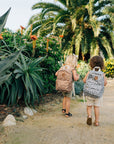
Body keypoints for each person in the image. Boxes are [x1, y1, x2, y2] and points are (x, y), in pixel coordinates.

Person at [83, 56, 107, 126]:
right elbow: (105, 83)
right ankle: (96, 122)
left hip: (89, 93)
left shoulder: (89, 72)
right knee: (96, 107)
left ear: (91, 64)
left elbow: (84, 80)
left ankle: (89, 116)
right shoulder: (102, 74)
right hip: (98, 94)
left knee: (89, 106)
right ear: (102, 64)